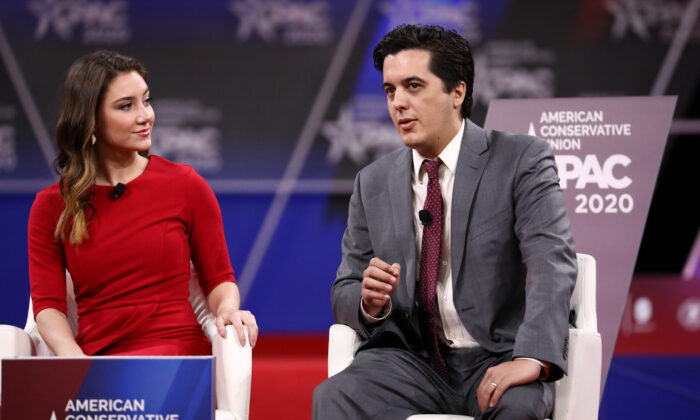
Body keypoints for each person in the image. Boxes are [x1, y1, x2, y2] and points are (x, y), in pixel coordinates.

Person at [313, 24, 577, 419]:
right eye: (390, 90)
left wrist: (532, 357)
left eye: (413, 86)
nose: (398, 103)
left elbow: (550, 261)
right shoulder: (372, 182)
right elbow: (345, 288)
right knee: (335, 397)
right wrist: (369, 303)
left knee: (518, 408)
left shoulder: (521, 159)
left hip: (497, 353)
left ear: (458, 92)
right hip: (412, 361)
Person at [28, 50, 258, 356]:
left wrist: (227, 308)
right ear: (90, 121)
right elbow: (48, 307)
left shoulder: (186, 185)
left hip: (174, 360)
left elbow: (219, 279)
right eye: (126, 106)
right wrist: (74, 361)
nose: (145, 116)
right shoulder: (52, 206)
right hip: (99, 363)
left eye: (146, 101)